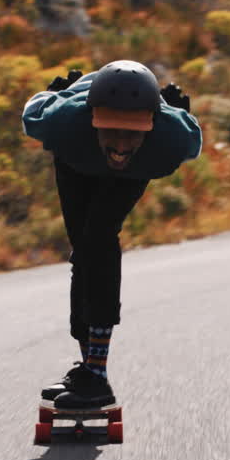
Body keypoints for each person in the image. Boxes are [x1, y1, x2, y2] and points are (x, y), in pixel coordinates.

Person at [22, 60, 201, 409]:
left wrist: (174, 113)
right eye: (112, 130)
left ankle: (96, 376)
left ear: (151, 125)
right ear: (92, 120)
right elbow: (31, 111)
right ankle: (90, 369)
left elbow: (192, 136)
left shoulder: (171, 138)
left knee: (99, 238)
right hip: (77, 156)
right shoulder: (60, 123)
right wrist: (54, 95)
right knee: (83, 251)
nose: (120, 144)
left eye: (131, 131)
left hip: (140, 163)